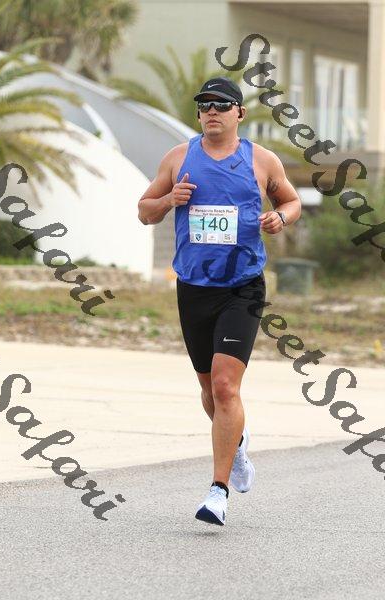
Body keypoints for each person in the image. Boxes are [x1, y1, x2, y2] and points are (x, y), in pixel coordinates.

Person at [138, 77, 301, 526]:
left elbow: (292, 201)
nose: (212, 111)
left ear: (239, 113)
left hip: (242, 287)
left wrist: (280, 217)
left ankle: (218, 491)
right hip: (193, 287)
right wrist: (169, 199)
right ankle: (238, 441)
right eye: (205, 104)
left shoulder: (261, 160)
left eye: (222, 104)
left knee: (227, 387)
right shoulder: (178, 157)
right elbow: (144, 211)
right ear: (198, 114)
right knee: (210, 392)